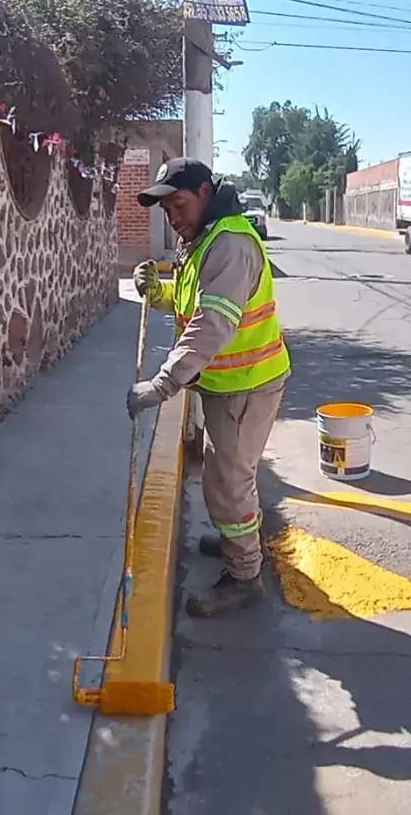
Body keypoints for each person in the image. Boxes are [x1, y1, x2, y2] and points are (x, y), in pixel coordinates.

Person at [127, 158, 290, 618]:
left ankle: (244, 576)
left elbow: (212, 324)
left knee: (228, 483)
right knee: (231, 479)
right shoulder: (203, 239)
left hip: (247, 385)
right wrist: (157, 291)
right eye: (166, 211)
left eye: (178, 204)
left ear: (203, 192)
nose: (173, 217)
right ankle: (238, 540)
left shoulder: (230, 244)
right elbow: (192, 301)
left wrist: (161, 385)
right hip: (228, 384)